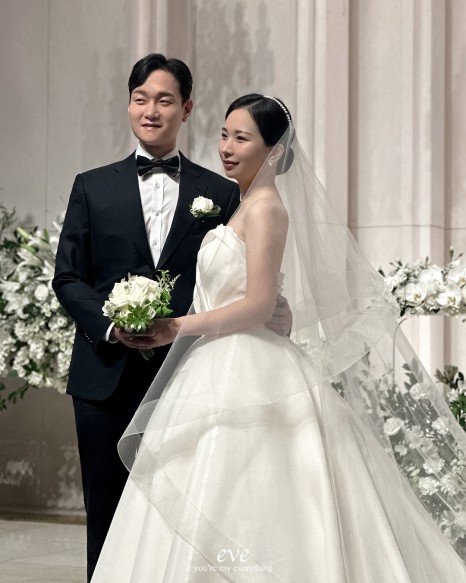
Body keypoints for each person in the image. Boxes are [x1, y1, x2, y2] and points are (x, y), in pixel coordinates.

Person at [90, 94, 466, 582]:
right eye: (224, 134)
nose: (226, 147)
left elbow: (259, 305)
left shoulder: (267, 208)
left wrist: (176, 327)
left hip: (247, 365)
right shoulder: (243, 205)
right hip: (215, 360)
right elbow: (255, 299)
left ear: (275, 152)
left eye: (241, 138)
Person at [52, 53, 245, 582]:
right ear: (129, 105)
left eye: (164, 100)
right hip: (103, 377)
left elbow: (228, 278)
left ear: (187, 108)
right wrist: (112, 325)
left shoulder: (221, 192)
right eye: (140, 99)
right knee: (106, 514)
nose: (151, 111)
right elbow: (68, 277)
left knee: (182, 514)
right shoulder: (91, 186)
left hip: (187, 377)